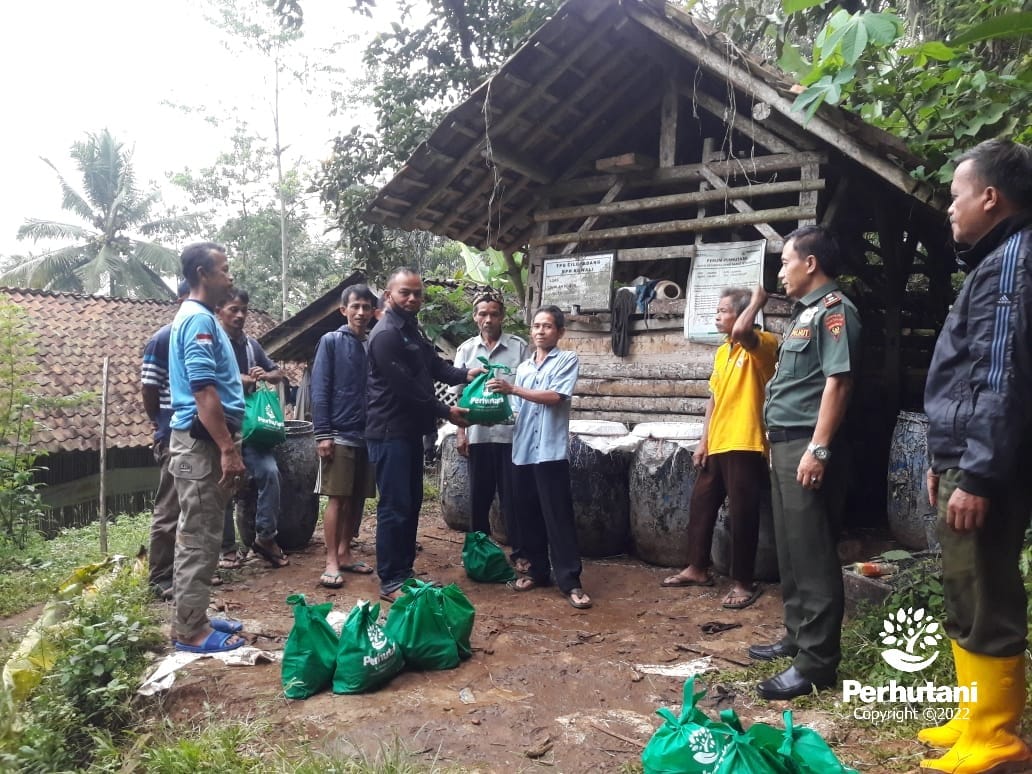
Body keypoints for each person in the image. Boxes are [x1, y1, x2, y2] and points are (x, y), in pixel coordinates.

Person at [918, 139, 1032, 774]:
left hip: (990, 461)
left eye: (957, 195)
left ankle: (996, 735)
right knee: (964, 580)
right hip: (969, 452)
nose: (951, 209)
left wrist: (980, 471)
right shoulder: (994, 263)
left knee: (984, 583)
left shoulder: (1014, 260)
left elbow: (1002, 374)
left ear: (991, 197)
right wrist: (946, 456)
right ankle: (973, 713)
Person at [747, 225, 861, 700]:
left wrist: (818, 448)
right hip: (785, 442)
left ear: (810, 263)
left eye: (785, 260)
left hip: (806, 444)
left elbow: (839, 383)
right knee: (792, 550)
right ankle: (797, 636)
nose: (781, 270)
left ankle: (816, 663)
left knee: (812, 552)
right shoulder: (804, 316)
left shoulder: (835, 313)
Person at [365, 268, 479, 601]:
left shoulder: (412, 331)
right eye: (405, 293)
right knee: (394, 505)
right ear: (389, 296)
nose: (412, 298)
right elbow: (406, 390)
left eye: (417, 293)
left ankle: (404, 571)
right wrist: (448, 413)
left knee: (412, 502)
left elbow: (436, 367)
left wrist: (466, 373)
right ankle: (390, 580)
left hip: (411, 432)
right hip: (389, 431)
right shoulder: (385, 334)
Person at [661, 287, 777, 610]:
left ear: (741, 316)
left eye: (724, 310)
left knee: (743, 514)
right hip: (719, 441)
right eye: (718, 309)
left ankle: (743, 582)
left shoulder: (763, 344)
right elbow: (713, 399)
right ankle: (697, 568)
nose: (717, 315)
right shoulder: (722, 352)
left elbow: (744, 330)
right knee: (701, 504)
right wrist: (704, 441)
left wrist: (757, 299)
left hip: (746, 440)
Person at [167, 242, 246, 653]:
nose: (229, 277)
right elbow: (203, 390)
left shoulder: (202, 319)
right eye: (223, 270)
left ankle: (194, 615)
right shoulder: (197, 322)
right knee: (198, 535)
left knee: (206, 532)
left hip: (205, 441)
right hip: (201, 445)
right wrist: (226, 448)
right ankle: (191, 632)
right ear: (202, 273)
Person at [488, 305, 590, 610]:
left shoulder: (566, 360)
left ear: (559, 332)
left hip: (549, 452)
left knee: (557, 517)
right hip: (522, 452)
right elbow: (518, 411)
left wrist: (513, 389)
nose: (540, 331)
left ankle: (570, 580)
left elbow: (555, 397)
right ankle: (537, 571)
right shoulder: (525, 367)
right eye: (536, 326)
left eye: (547, 326)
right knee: (527, 514)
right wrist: (491, 413)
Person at [452, 290, 529, 569]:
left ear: (502, 317)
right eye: (482, 314)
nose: (488, 319)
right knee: (478, 498)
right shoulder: (466, 350)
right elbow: (458, 394)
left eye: (493, 314)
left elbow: (526, 390)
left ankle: (521, 554)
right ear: (475, 317)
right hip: (478, 436)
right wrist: (461, 433)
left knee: (514, 498)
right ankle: (478, 553)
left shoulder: (519, 348)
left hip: (510, 436)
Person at [310, 283, 378, 589]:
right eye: (355, 307)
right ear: (344, 310)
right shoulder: (331, 341)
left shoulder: (373, 342)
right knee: (337, 498)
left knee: (355, 499)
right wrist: (323, 433)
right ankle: (331, 561)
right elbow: (320, 388)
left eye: (366, 307)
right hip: (338, 433)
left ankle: (346, 552)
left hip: (367, 433)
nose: (361, 313)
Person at [216, 288, 289, 569]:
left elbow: (279, 374)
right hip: (222, 427)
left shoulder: (251, 345)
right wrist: (241, 379)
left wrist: (265, 374)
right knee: (224, 487)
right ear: (219, 310)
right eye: (233, 309)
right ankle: (226, 548)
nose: (240, 315)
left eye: (243, 310)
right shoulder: (214, 343)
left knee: (270, 473)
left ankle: (265, 537)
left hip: (252, 429)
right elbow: (207, 379)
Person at [140, 279, 190, 600]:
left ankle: (184, 574)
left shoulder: (200, 336)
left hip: (193, 433)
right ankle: (160, 577)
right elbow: (149, 389)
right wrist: (161, 423)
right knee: (170, 508)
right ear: (181, 299)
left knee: (192, 507)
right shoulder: (162, 339)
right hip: (173, 433)